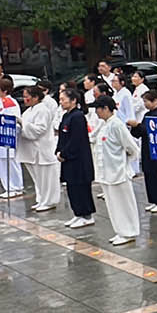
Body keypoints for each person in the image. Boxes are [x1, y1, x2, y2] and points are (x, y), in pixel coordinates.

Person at [89, 95, 140, 246]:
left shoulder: (117, 124)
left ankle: (129, 232)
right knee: (113, 205)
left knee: (124, 204)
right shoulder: (105, 125)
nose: (96, 113)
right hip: (107, 173)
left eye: (98, 109)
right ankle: (120, 231)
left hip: (119, 173)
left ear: (106, 109)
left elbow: (132, 148)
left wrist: (124, 164)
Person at [55, 89, 95, 229]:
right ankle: (78, 214)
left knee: (81, 187)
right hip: (67, 158)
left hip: (78, 159)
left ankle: (87, 215)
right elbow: (62, 136)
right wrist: (58, 151)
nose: (61, 102)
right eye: (60, 99)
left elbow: (76, 140)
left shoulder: (78, 116)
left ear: (73, 100)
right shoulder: (66, 116)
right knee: (71, 187)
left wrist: (64, 153)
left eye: (63, 99)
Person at [18, 86, 60, 212]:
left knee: (46, 177)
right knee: (38, 178)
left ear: (36, 97)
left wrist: (22, 124)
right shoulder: (28, 111)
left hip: (41, 149)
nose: (25, 99)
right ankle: (41, 199)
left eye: (27, 97)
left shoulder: (42, 110)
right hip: (31, 150)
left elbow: (39, 130)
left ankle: (49, 201)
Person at [132, 91, 157, 214]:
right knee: (148, 173)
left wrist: (138, 125)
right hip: (146, 148)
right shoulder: (147, 114)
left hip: (156, 148)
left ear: (155, 101)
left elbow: (151, 130)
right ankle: (154, 200)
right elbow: (140, 132)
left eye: (146, 101)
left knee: (156, 174)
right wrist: (135, 128)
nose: (145, 104)